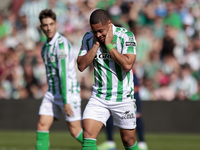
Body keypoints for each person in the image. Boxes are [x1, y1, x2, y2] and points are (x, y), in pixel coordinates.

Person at [77, 9, 139, 150]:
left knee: (128, 141)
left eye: (101, 31)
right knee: (88, 136)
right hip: (99, 97)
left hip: (123, 97)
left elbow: (128, 65)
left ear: (109, 24)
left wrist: (109, 45)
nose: (98, 35)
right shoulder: (88, 38)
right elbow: (81, 65)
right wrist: (96, 44)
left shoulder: (126, 36)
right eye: (94, 31)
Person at [36, 9, 83, 150]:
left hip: (67, 92)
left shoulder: (61, 45)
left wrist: (65, 101)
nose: (48, 28)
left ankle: (94, 148)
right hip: (52, 93)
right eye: (45, 25)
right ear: (41, 27)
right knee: (42, 125)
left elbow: (63, 74)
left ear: (56, 24)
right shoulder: (45, 47)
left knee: (75, 131)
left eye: (51, 24)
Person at [97, 71, 148, 150]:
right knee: (110, 114)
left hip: (126, 75)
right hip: (116, 75)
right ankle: (110, 142)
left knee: (136, 117)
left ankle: (142, 142)